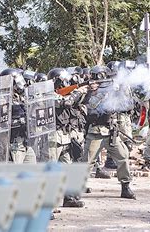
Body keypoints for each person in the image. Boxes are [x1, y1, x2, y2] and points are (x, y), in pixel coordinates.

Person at [82, 65, 136, 199]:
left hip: (111, 131)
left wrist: (121, 91)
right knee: (86, 162)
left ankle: (125, 187)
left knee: (123, 156)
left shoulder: (112, 91)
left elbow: (127, 106)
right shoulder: (88, 93)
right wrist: (98, 93)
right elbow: (91, 108)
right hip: (95, 132)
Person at [48, 67, 88, 207]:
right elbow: (66, 102)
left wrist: (83, 91)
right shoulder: (49, 94)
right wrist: (77, 92)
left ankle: (69, 198)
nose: (66, 83)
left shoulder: (67, 94)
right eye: (63, 81)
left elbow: (75, 103)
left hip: (65, 136)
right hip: (53, 137)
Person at [0, 68, 36, 164]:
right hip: (13, 143)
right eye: (18, 81)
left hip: (25, 141)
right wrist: (17, 122)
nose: (21, 83)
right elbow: (0, 123)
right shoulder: (1, 100)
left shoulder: (20, 98)